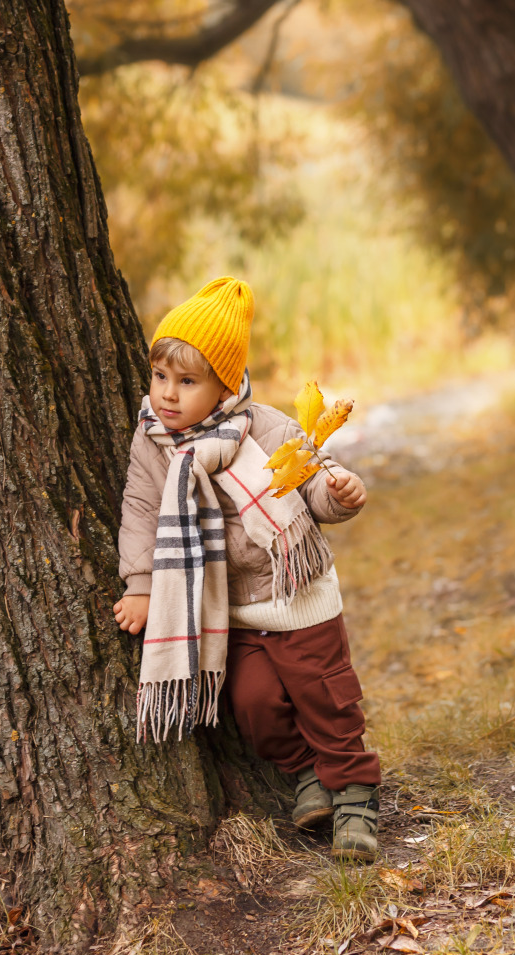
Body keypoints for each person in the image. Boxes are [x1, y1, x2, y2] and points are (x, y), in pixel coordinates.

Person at [114, 277, 381, 861]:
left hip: (298, 599)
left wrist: (340, 493)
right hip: (233, 611)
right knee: (253, 703)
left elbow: (311, 484)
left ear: (225, 385)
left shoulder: (267, 428)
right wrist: (140, 585)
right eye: (161, 377)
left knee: (327, 701)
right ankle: (304, 772)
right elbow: (139, 509)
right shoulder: (153, 441)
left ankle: (355, 795)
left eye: (188, 382)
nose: (168, 395)